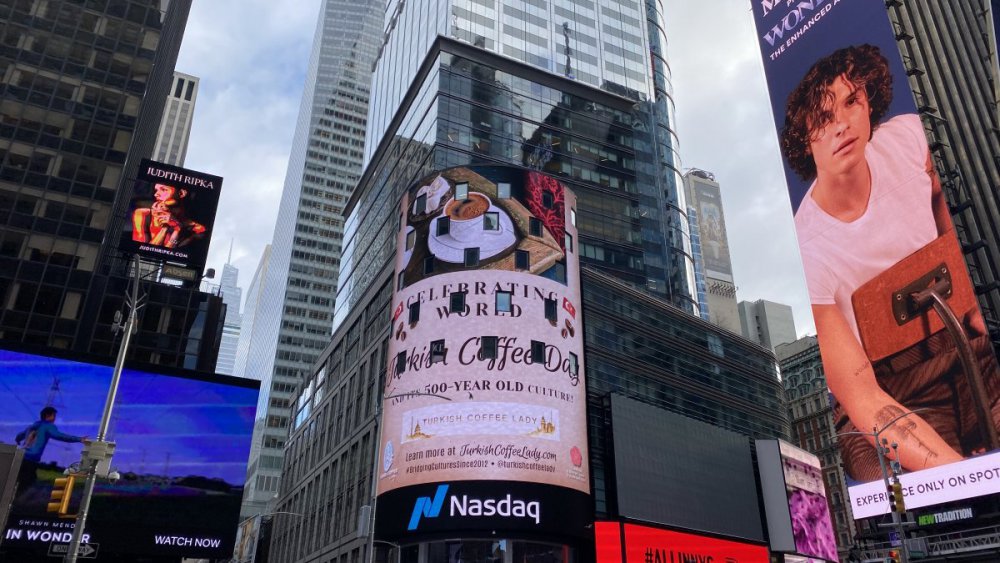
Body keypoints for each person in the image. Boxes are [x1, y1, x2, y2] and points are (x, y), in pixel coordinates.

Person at [781, 44, 1000, 480]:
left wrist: (968, 290)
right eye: (822, 118)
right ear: (805, 139)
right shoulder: (807, 248)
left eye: (851, 102)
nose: (841, 125)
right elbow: (863, 398)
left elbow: (940, 198)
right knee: (891, 477)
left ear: (869, 105)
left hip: (964, 343)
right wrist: (962, 477)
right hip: (886, 385)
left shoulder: (907, 138)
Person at [15, 406, 87, 493]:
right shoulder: (48, 426)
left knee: (17, 478)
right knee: (27, 482)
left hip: (20, 457)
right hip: (31, 460)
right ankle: (15, 497)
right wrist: (79, 439)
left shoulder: (33, 426)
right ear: (48, 416)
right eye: (54, 416)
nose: (54, 419)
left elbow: (20, 435)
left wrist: (18, 441)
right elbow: (60, 436)